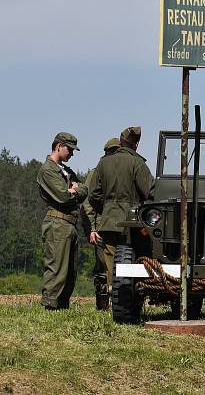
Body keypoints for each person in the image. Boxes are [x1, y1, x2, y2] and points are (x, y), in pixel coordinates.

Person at [89, 127, 155, 296]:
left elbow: (93, 194)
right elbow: (151, 192)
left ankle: (113, 293)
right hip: (133, 221)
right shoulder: (138, 163)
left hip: (109, 219)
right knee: (135, 256)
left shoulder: (103, 163)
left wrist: (106, 209)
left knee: (111, 258)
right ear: (136, 145)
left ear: (120, 141)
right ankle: (133, 294)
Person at [37, 132, 88, 310]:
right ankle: (51, 305)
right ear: (59, 146)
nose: (72, 154)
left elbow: (84, 190)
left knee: (69, 270)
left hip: (69, 224)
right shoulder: (48, 170)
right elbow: (63, 197)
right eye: (70, 150)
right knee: (57, 267)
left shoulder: (66, 171)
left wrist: (76, 190)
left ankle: (62, 305)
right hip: (57, 223)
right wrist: (72, 190)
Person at [80, 137, 120, 310]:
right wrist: (92, 229)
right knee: (102, 268)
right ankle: (103, 307)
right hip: (102, 228)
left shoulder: (118, 172)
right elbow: (87, 203)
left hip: (118, 227)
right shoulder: (97, 173)